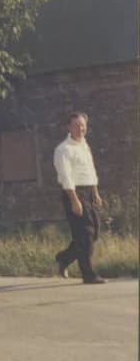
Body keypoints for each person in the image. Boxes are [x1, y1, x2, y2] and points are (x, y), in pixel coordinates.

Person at [53, 112, 106, 284]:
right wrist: (74, 200)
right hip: (74, 193)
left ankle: (64, 258)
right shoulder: (63, 149)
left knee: (94, 233)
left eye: (83, 125)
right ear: (69, 127)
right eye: (76, 125)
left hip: (89, 192)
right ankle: (88, 274)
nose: (80, 128)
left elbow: (90, 170)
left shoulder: (84, 146)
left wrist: (95, 192)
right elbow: (66, 177)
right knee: (85, 235)